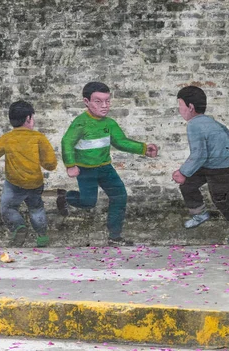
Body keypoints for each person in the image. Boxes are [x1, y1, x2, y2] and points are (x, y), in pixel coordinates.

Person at [57, 81, 158, 246]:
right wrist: (70, 165)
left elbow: (120, 142)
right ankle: (65, 197)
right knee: (89, 202)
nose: (104, 106)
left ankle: (115, 237)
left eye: (107, 101)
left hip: (105, 168)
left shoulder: (109, 123)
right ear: (86, 102)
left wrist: (144, 148)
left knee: (119, 196)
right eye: (98, 101)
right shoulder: (81, 123)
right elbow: (67, 142)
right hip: (86, 170)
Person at [0, 100, 57, 247]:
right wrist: (47, 165)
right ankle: (42, 236)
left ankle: (19, 226)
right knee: (36, 208)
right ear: (28, 118)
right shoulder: (39, 138)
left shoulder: (7, 138)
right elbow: (50, 162)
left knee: (8, 208)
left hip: (14, 184)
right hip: (35, 183)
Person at [173, 85, 229, 244]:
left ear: (190, 107)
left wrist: (183, 172)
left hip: (221, 169)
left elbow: (199, 154)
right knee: (188, 185)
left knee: (223, 201)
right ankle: (199, 213)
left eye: (180, 105)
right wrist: (218, 151)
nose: (179, 110)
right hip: (209, 165)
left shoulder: (194, 125)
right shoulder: (210, 120)